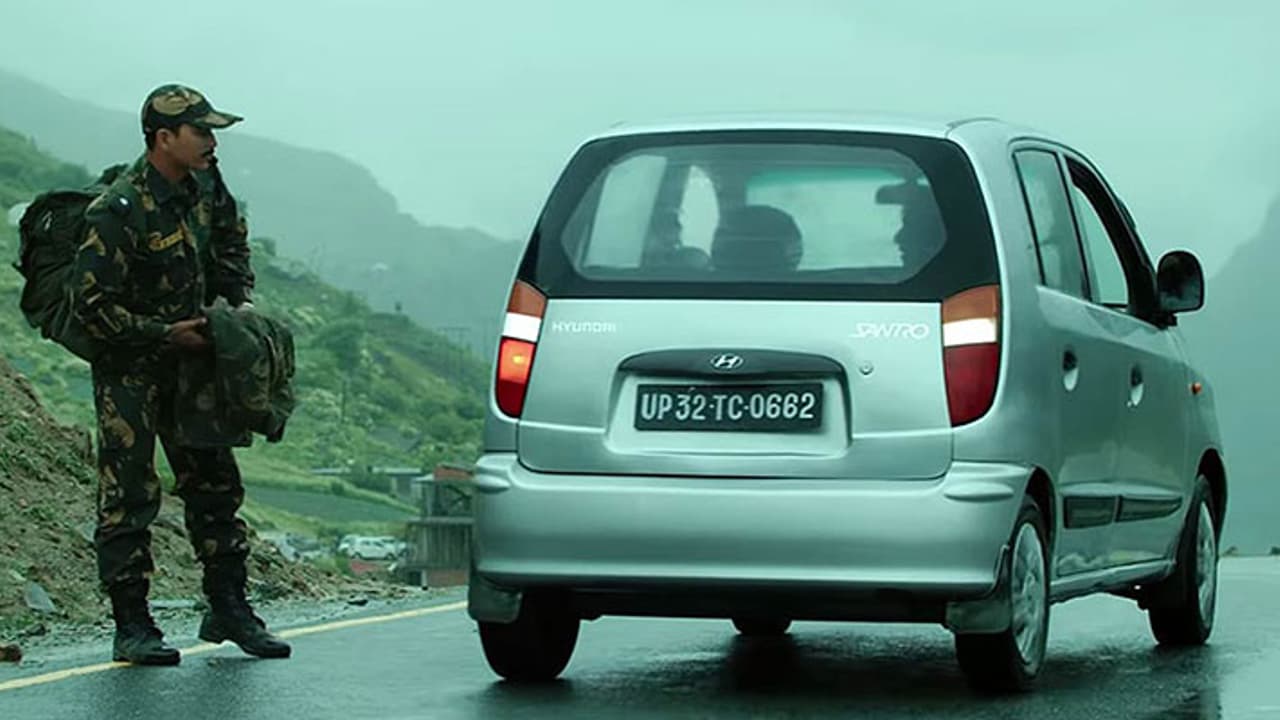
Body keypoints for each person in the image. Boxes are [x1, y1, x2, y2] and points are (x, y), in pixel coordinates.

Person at [71, 84, 290, 665]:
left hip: (196, 364)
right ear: (163, 138)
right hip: (131, 372)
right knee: (129, 494)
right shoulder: (118, 210)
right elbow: (91, 306)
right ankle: (132, 625)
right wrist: (163, 333)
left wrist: (235, 305)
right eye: (201, 131)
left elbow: (232, 242)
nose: (213, 142)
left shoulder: (207, 185)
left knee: (215, 484)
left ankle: (229, 608)